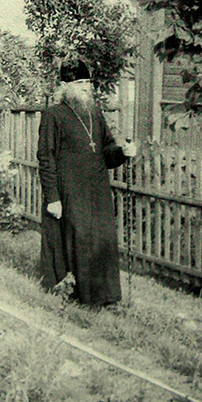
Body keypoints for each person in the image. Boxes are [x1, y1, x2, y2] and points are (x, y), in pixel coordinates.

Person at [36, 59, 137, 306]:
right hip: (69, 192)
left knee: (101, 241)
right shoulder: (53, 115)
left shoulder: (95, 114)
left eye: (87, 82)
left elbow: (107, 153)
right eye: (79, 82)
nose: (85, 87)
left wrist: (123, 152)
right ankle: (78, 296)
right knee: (78, 240)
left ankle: (104, 297)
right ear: (64, 86)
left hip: (97, 192)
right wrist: (52, 198)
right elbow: (45, 158)